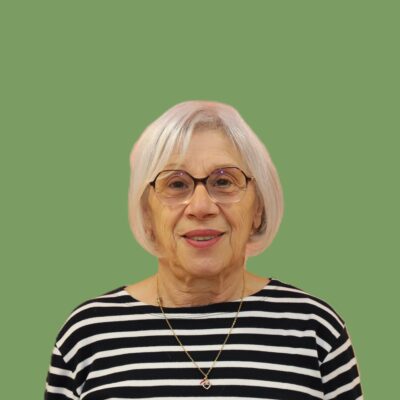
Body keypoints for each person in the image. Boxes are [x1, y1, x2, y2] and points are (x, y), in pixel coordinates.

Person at [44, 100, 364, 399]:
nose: (201, 207)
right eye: (176, 184)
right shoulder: (87, 334)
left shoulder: (314, 329)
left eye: (224, 182)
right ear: (147, 213)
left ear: (258, 208)